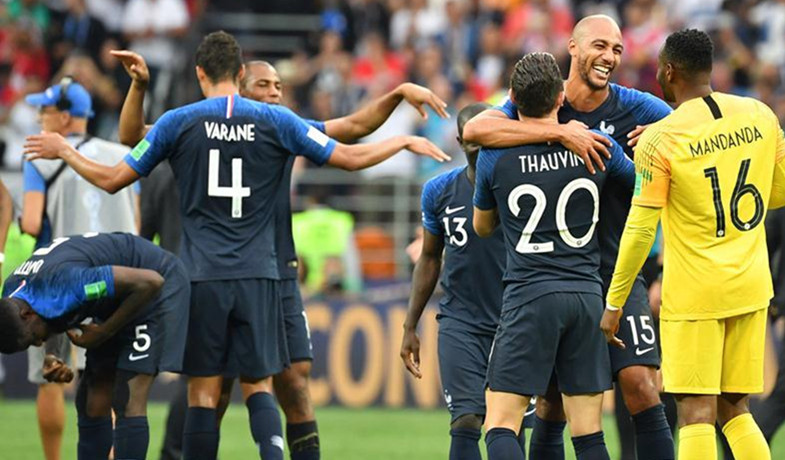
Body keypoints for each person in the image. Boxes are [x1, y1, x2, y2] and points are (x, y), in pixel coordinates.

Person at [23, 31, 449, 460]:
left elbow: (115, 176)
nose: (274, 91)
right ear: (241, 73)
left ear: (199, 73)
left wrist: (65, 150)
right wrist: (401, 141)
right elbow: (351, 153)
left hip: (201, 276)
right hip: (260, 273)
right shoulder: (277, 121)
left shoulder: (179, 121)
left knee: (203, 393)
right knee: (260, 383)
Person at [463, 15, 675, 460]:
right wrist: (561, 131)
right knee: (553, 401)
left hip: (616, 269)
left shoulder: (637, 107)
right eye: (600, 45)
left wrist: (662, 139)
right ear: (573, 48)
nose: (609, 57)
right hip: (567, 272)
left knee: (640, 383)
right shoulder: (544, 96)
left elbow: (688, 131)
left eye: (617, 49)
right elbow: (476, 129)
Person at [602, 28, 785, 460]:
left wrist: (615, 302)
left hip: (695, 295)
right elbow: (777, 192)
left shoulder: (661, 139)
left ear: (669, 71)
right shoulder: (759, 115)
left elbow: (640, 229)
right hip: (749, 285)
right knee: (735, 408)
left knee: (695, 413)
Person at [473, 52, 634, 460]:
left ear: (512, 98)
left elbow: (482, 226)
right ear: (561, 97)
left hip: (529, 295)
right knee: (589, 434)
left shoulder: (493, 155)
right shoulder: (597, 146)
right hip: (586, 296)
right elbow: (642, 187)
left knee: (501, 422)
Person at [20, 76, 140, 460]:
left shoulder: (40, 156)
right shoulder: (122, 153)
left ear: (65, 117)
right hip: (117, 278)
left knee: (50, 379)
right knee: (106, 378)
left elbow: (32, 223)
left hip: (58, 281)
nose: (40, 117)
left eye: (46, 110)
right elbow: (137, 220)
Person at [401, 102, 521, 460]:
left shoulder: (521, 185)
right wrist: (410, 325)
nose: (482, 147)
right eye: (473, 140)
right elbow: (429, 257)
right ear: (460, 141)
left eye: (489, 137)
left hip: (515, 322)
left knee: (509, 426)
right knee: (466, 420)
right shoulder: (439, 191)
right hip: (461, 322)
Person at [0, 232, 190, 460]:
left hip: (155, 284)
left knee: (128, 396)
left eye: (33, 338)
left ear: (26, 314)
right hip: (118, 296)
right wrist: (52, 354)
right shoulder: (12, 293)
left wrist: (105, 331)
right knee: (91, 399)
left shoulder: (71, 283)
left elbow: (151, 282)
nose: (39, 342)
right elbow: (51, 307)